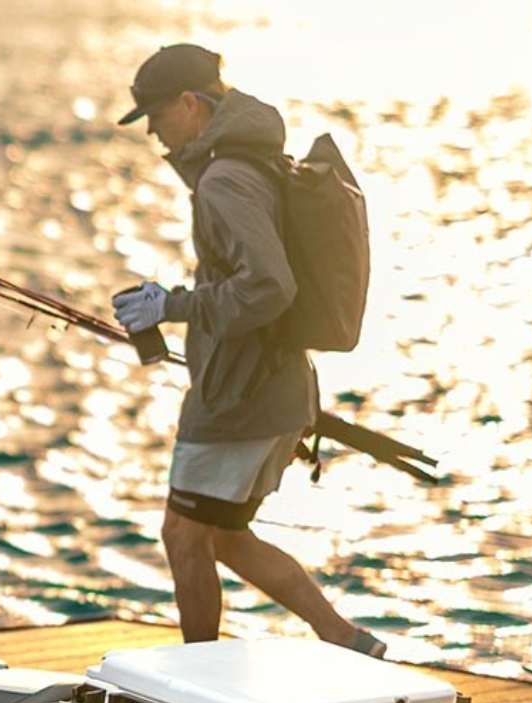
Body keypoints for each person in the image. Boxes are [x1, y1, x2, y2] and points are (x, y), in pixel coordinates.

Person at [111, 44, 386, 658]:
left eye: (156, 115)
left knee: (184, 535)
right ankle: (346, 639)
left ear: (190, 104)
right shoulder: (251, 160)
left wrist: (172, 306)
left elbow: (269, 287)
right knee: (224, 536)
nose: (153, 133)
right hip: (273, 385)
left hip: (240, 396)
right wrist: (177, 305)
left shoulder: (225, 179)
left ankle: (195, 679)